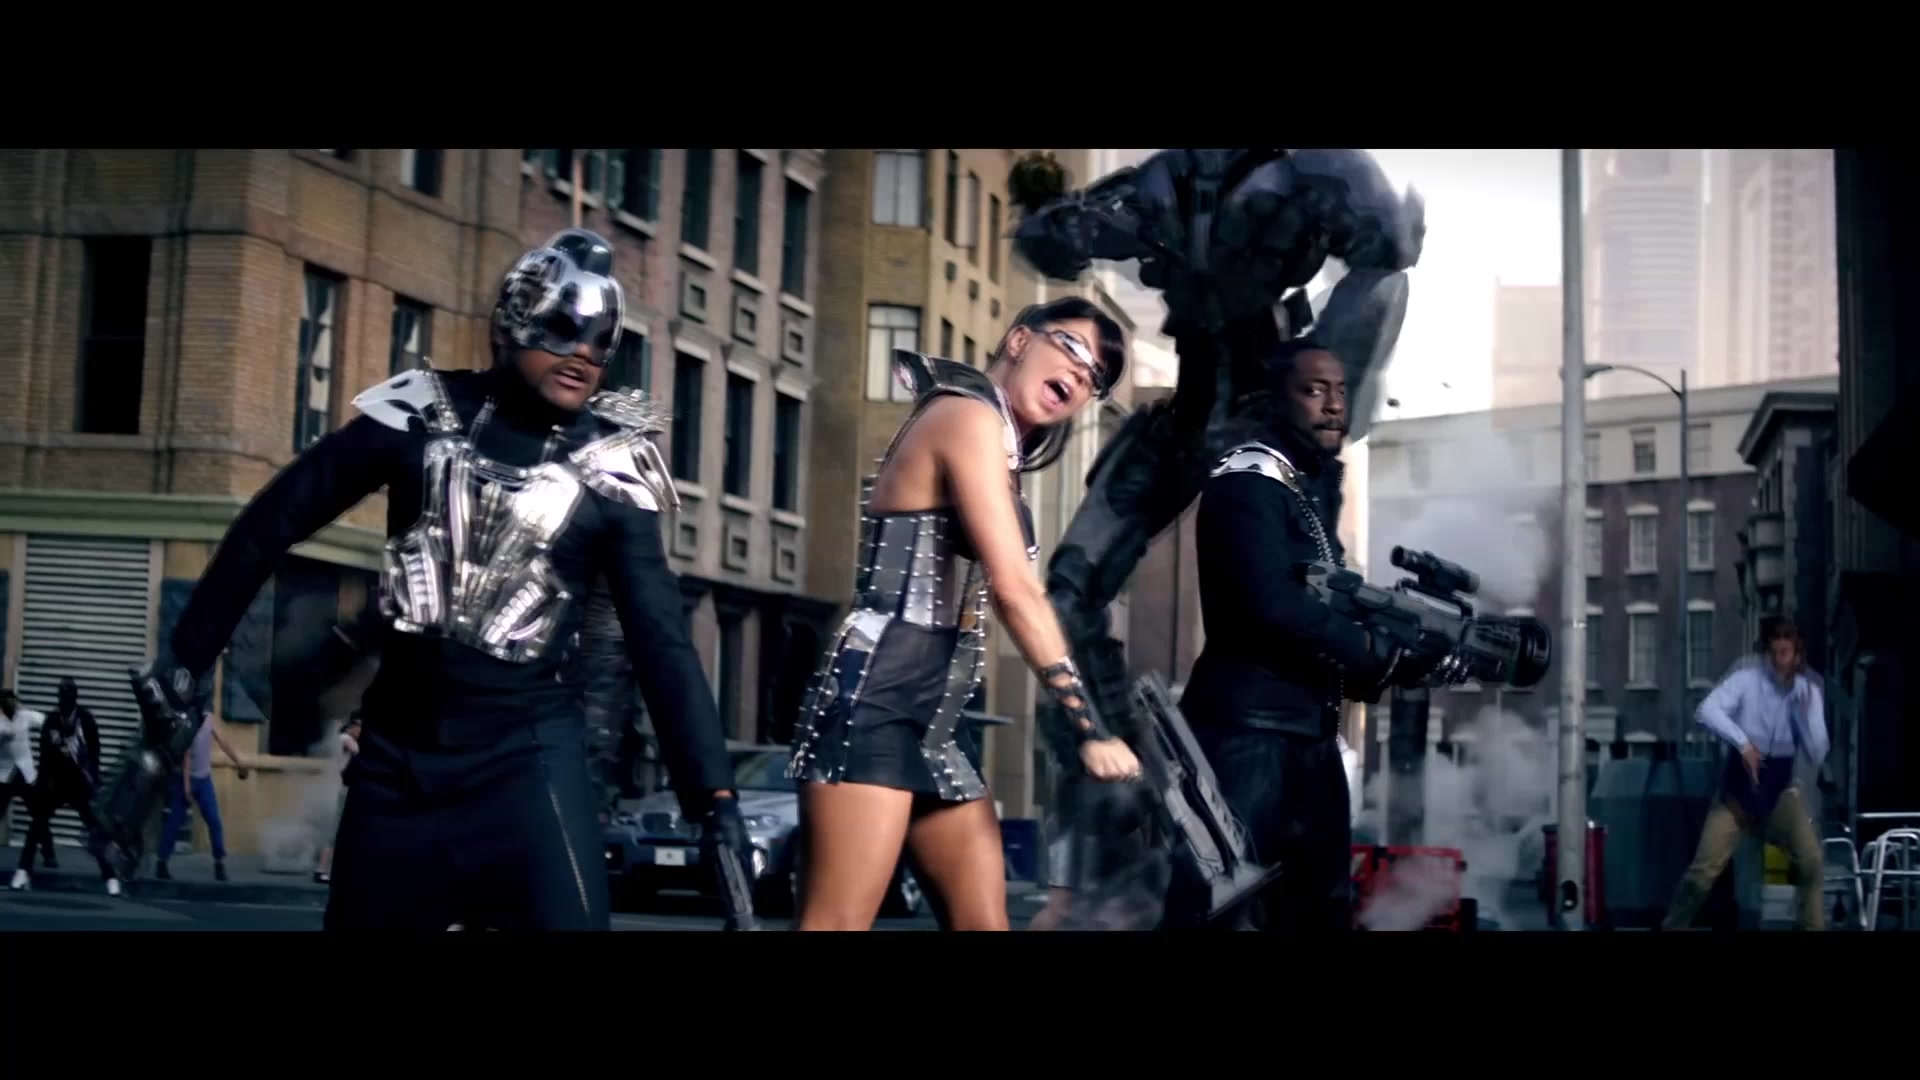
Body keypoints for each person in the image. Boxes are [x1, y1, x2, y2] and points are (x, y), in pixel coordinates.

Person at [108, 228, 744, 930]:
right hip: (398, 767)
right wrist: (181, 674)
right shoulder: (421, 414)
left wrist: (713, 799)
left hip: (528, 766)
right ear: (512, 321)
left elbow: (661, 640)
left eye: (603, 342)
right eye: (565, 329)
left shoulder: (613, 467)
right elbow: (270, 523)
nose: (585, 354)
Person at [1008, 150, 1423, 923]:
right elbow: (1054, 242)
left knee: (1286, 596)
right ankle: (1124, 797)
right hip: (1196, 412)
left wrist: (1320, 385)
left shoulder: (1312, 174)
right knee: (1066, 596)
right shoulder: (1166, 182)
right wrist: (1053, 215)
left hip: (1269, 412)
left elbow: (1388, 260)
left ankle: (1241, 816)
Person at [787, 298, 1141, 931]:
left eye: (1095, 377)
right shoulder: (965, 415)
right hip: (875, 699)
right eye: (1071, 348)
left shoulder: (999, 443)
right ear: (1019, 341)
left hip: (938, 716)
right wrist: (1090, 727)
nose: (1080, 373)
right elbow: (1015, 592)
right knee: (835, 923)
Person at [1170, 338, 1416, 931]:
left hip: (1309, 739)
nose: (1334, 405)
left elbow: (1323, 603)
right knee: (1217, 914)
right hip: (1247, 738)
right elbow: (1269, 604)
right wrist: (1368, 650)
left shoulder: (1302, 486)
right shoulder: (1248, 478)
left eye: (1340, 392)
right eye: (1314, 390)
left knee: (1321, 913)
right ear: (1277, 400)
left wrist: (1394, 645)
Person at [1662, 616, 1829, 931]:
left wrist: (1806, 718)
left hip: (1779, 796)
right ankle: (1673, 926)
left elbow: (1819, 752)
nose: (1779, 662)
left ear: (1797, 656)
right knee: (1703, 870)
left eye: (1786, 653)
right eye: (1773, 653)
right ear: (1765, 653)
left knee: (1811, 861)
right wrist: (1743, 743)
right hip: (1736, 798)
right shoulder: (1746, 680)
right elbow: (1706, 710)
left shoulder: (1808, 692)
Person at [14, 679, 122, 894]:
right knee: (37, 825)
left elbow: (95, 755)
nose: (65, 709)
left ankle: (110, 878)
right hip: (56, 784)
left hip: (79, 785)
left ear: (75, 701)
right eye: (62, 702)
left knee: (94, 830)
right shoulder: (52, 721)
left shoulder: (86, 721)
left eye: (68, 703)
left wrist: (93, 782)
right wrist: (41, 786)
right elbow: (44, 757)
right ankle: (23, 871)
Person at [154, 710, 249, 882]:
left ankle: (219, 863)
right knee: (174, 822)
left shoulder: (209, 719)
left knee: (214, 821)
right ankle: (161, 863)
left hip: (204, 780)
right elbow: (186, 757)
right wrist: (187, 787)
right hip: (185, 779)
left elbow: (223, 742)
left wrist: (238, 761)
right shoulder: (188, 723)